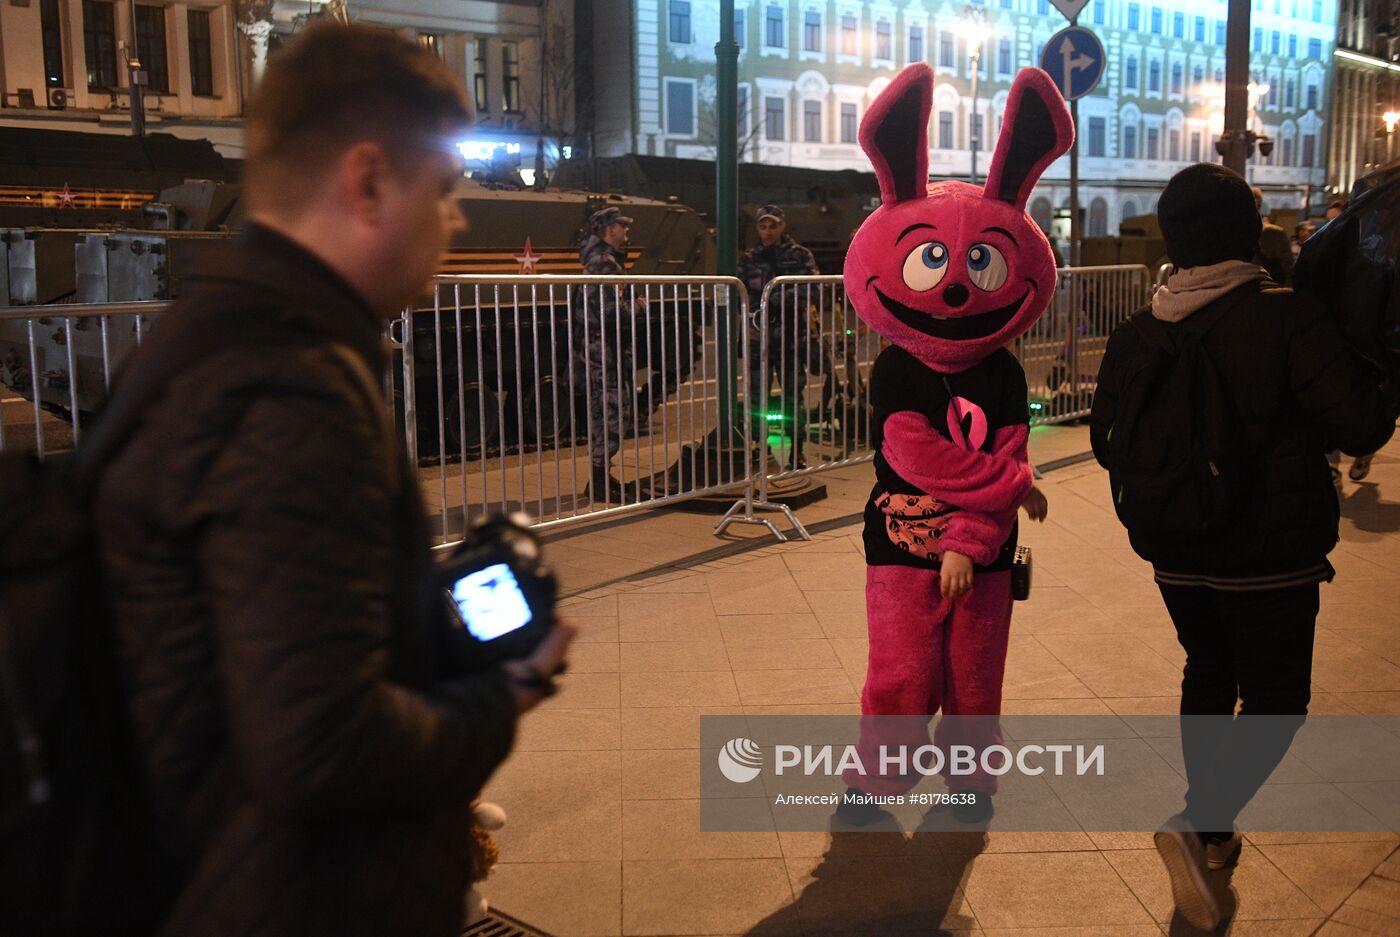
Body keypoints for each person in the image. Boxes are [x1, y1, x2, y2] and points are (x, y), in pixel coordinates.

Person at [90, 24, 574, 936]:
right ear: (365, 182)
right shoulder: (293, 389)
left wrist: (420, 609)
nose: (456, 221)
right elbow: (320, 750)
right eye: (443, 192)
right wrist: (504, 692)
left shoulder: (217, 336)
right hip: (286, 897)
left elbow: (250, 625)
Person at [1091, 163, 1395, 931]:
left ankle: (1215, 836)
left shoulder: (1138, 329)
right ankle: (1203, 818)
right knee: (1277, 701)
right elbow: (1359, 426)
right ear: (1246, 233)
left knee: (1208, 667)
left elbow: (1104, 440)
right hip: (1269, 550)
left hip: (1172, 548)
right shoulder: (1288, 317)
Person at [738, 205, 820, 469]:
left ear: (783, 226)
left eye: (773, 225)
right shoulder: (749, 258)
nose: (768, 231)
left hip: (790, 337)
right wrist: (762, 306)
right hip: (758, 338)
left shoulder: (799, 256)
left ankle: (797, 451)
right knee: (755, 396)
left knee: (792, 397)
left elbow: (813, 291)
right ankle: (760, 448)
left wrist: (776, 299)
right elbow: (739, 295)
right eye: (763, 226)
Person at [577, 205, 649, 502]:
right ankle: (599, 480)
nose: (626, 231)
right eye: (622, 226)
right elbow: (611, 314)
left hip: (600, 349)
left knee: (602, 411)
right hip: (606, 350)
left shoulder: (597, 261)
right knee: (614, 412)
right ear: (610, 230)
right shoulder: (605, 264)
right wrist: (639, 308)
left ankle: (599, 477)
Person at [1250, 185, 1294, 285]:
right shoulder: (1276, 232)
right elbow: (1288, 268)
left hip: (1265, 289)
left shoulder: (1274, 233)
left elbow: (1288, 269)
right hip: (1269, 289)